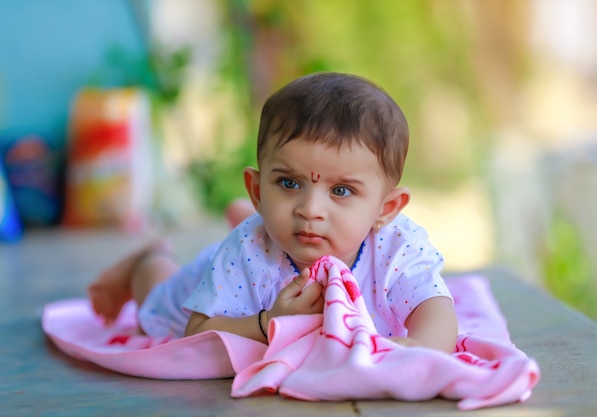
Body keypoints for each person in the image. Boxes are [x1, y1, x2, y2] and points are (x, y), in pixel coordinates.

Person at [88, 72, 458, 352]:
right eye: (289, 183)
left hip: (263, 240)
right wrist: (270, 323)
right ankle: (150, 258)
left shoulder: (398, 246)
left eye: (341, 191)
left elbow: (436, 312)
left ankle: (250, 207)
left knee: (271, 223)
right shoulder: (248, 248)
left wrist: (421, 351)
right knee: (155, 304)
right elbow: (197, 332)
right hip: (219, 283)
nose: (311, 210)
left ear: (386, 208)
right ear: (257, 189)